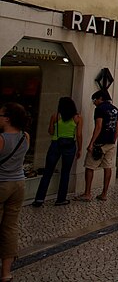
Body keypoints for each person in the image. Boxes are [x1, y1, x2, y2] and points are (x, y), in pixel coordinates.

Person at [32, 97, 83, 206]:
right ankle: (61, 199)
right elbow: (78, 135)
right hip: (70, 145)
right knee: (65, 173)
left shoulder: (55, 116)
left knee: (47, 172)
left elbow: (50, 131)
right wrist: (80, 149)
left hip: (56, 144)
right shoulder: (77, 118)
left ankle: (39, 199)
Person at [0, 103, 30, 282]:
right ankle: (6, 273)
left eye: (1, 115)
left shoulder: (2, 139)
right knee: (10, 228)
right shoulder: (25, 136)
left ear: (8, 118)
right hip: (19, 183)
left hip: (2, 183)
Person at [75, 89, 118, 202]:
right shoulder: (115, 109)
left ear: (100, 98)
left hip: (99, 143)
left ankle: (87, 193)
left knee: (90, 167)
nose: (94, 102)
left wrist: (91, 143)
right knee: (107, 167)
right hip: (110, 143)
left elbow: (98, 126)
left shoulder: (99, 109)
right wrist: (114, 139)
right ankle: (104, 193)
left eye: (94, 100)